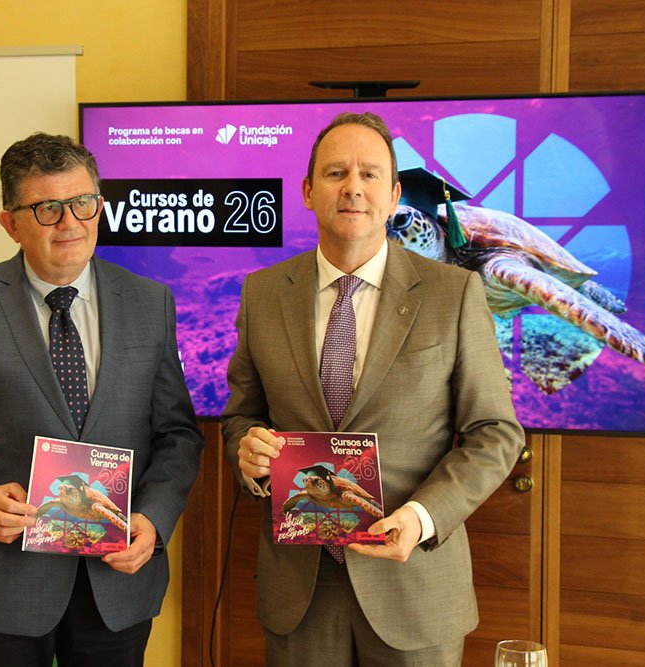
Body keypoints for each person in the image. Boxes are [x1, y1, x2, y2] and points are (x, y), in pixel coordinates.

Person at [221, 112, 525, 666]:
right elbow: (242, 416)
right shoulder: (263, 294)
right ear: (309, 192)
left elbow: (495, 432)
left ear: (394, 195)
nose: (353, 186)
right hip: (301, 591)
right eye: (336, 173)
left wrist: (421, 518)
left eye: (370, 174)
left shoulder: (453, 293)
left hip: (413, 582)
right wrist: (248, 454)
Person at [0, 132, 204, 667]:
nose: (71, 223)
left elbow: (177, 435)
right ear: (10, 223)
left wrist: (153, 521)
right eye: (47, 208)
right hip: (1, 585)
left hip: (116, 579)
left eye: (83, 202)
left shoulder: (149, 302)